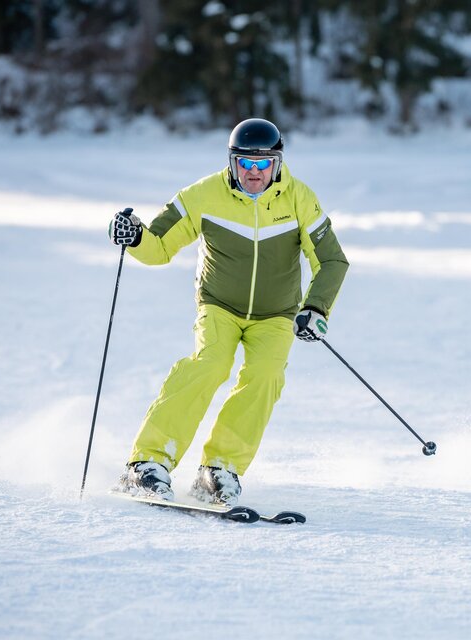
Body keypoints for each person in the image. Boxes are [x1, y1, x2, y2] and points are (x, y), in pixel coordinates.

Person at [108, 118, 348, 504]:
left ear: (278, 163)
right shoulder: (203, 195)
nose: (254, 173)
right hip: (219, 305)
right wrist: (134, 236)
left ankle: (218, 470)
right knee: (210, 364)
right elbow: (159, 246)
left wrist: (315, 308)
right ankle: (146, 464)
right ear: (231, 163)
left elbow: (332, 261)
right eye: (245, 164)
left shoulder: (299, 199)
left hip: (277, 314)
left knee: (265, 376)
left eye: (263, 164)